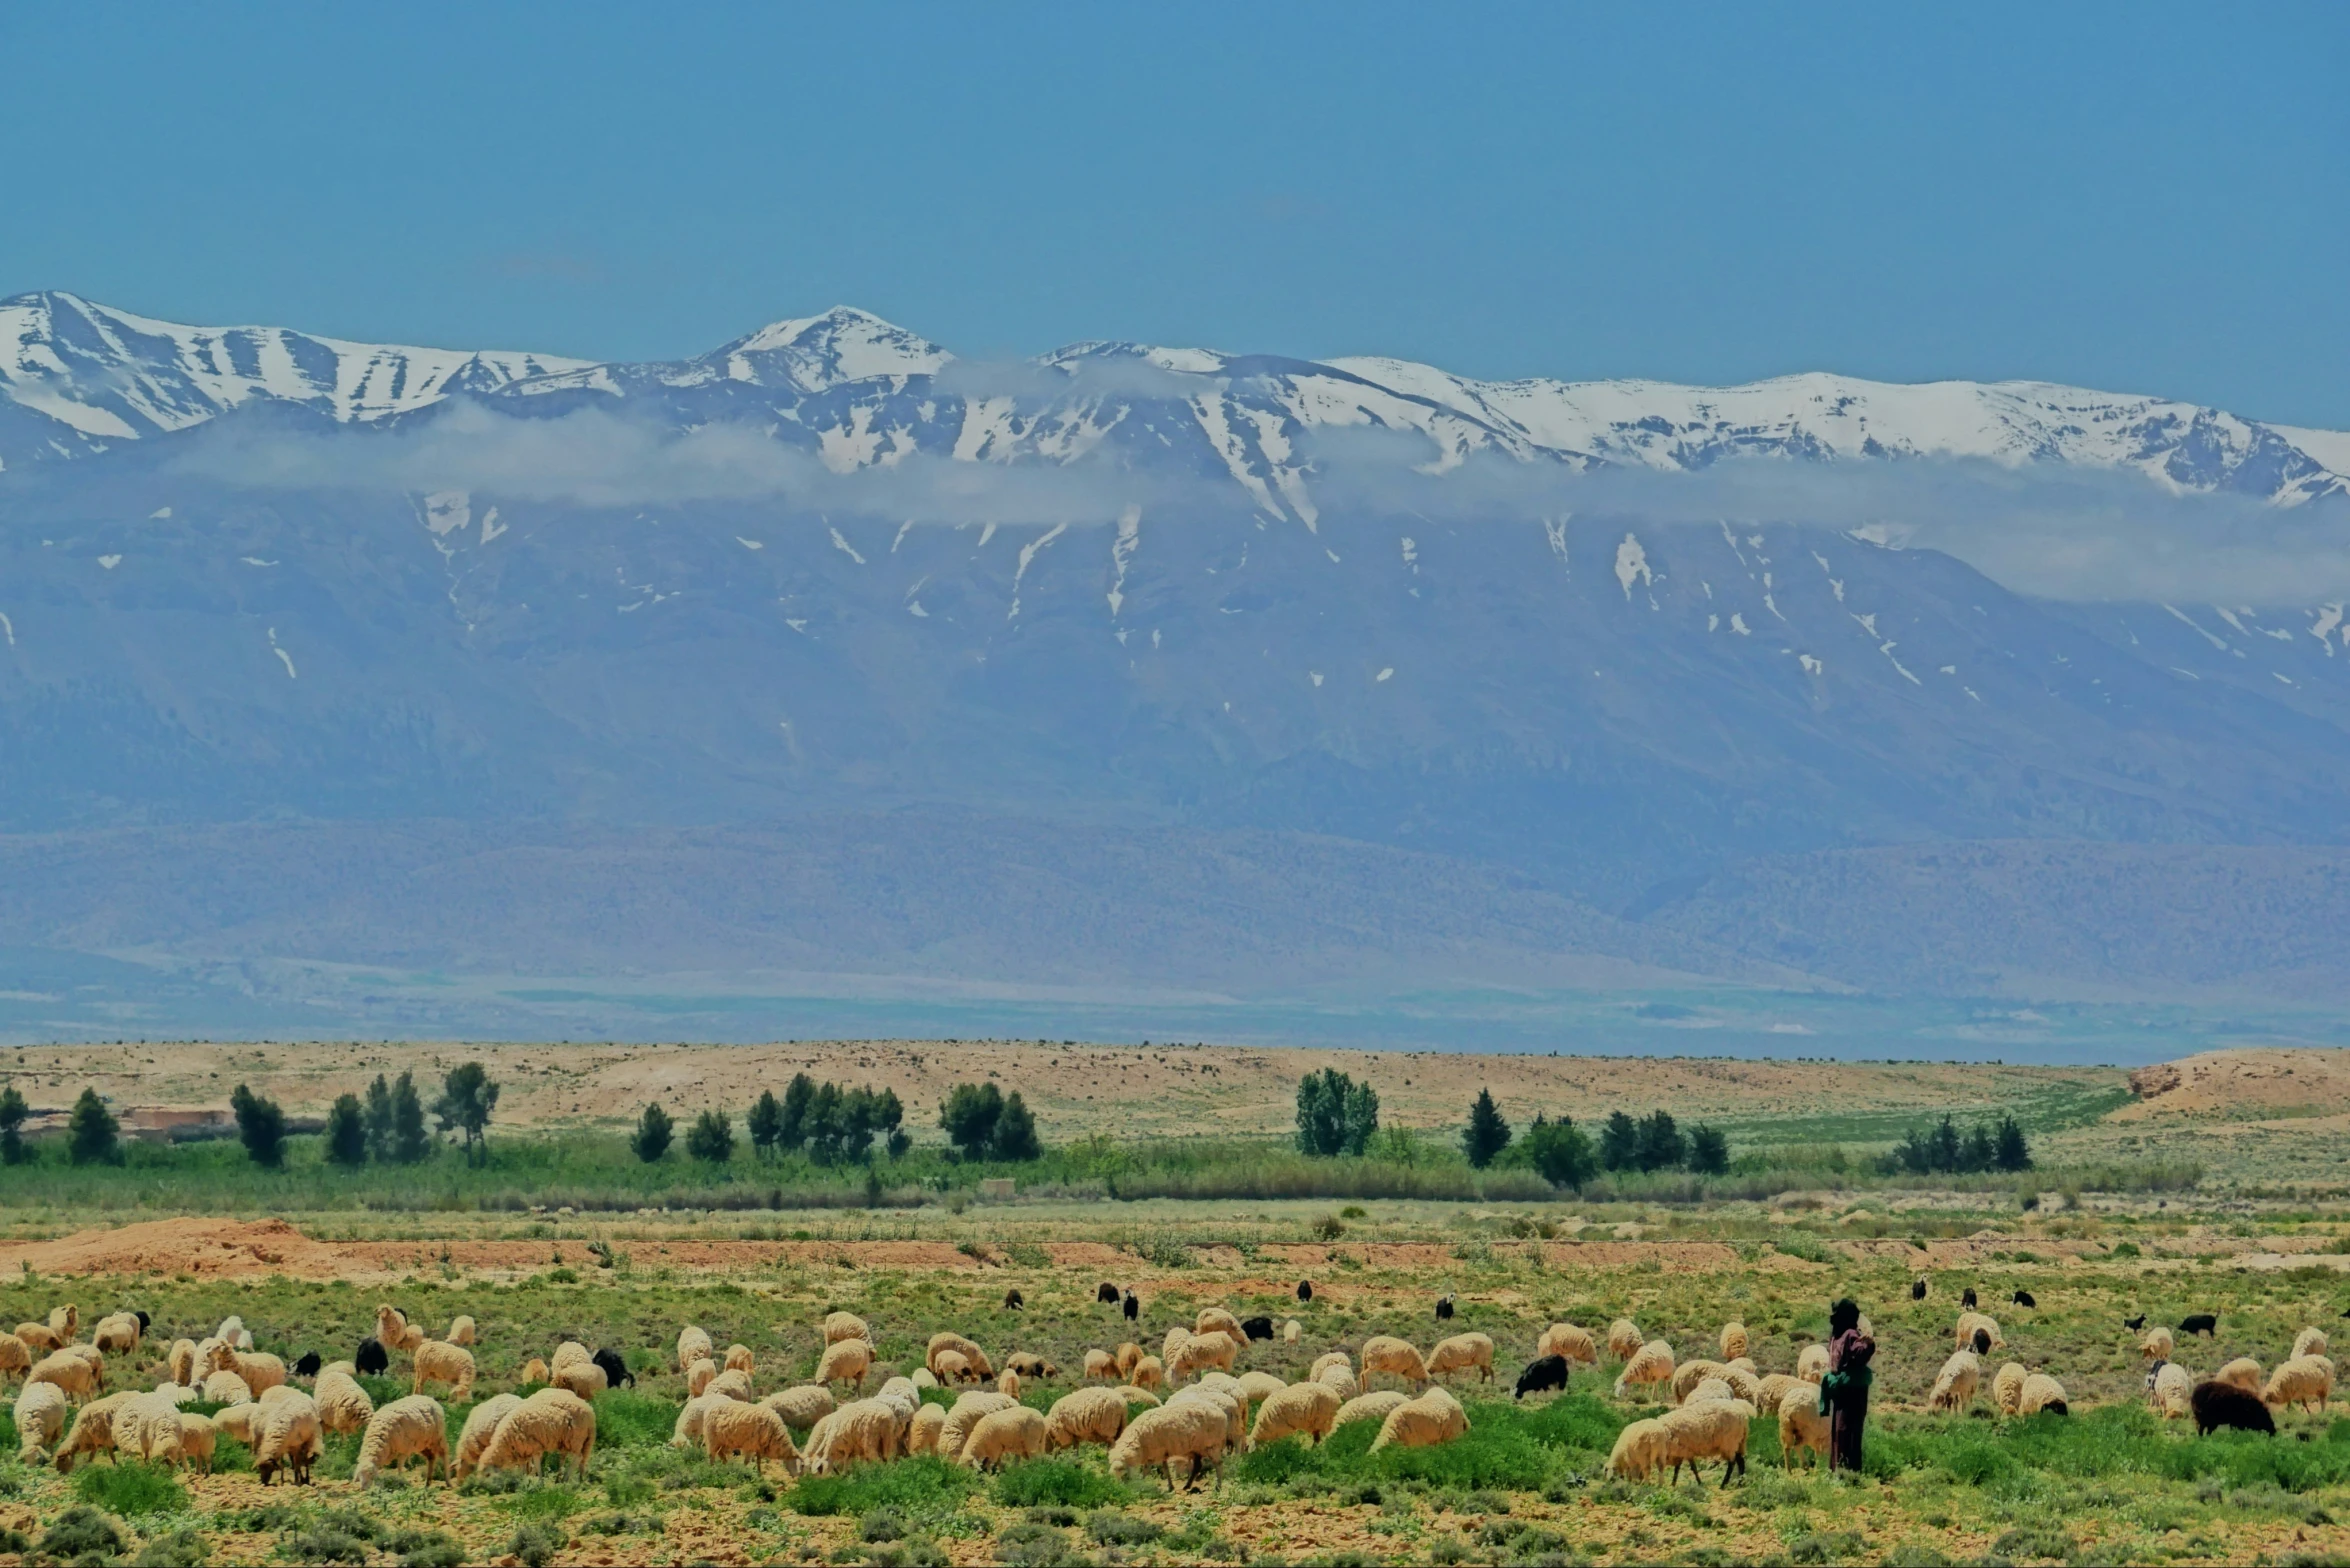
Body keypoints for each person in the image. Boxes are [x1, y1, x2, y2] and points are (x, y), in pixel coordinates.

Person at [1818, 1297, 1874, 1473]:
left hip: (1840, 1390)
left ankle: (1837, 1468)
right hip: (1853, 1391)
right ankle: (1849, 1471)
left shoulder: (1836, 1334)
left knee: (1839, 1428)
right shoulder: (1850, 1333)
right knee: (1851, 1430)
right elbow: (1860, 1354)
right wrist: (1870, 1344)